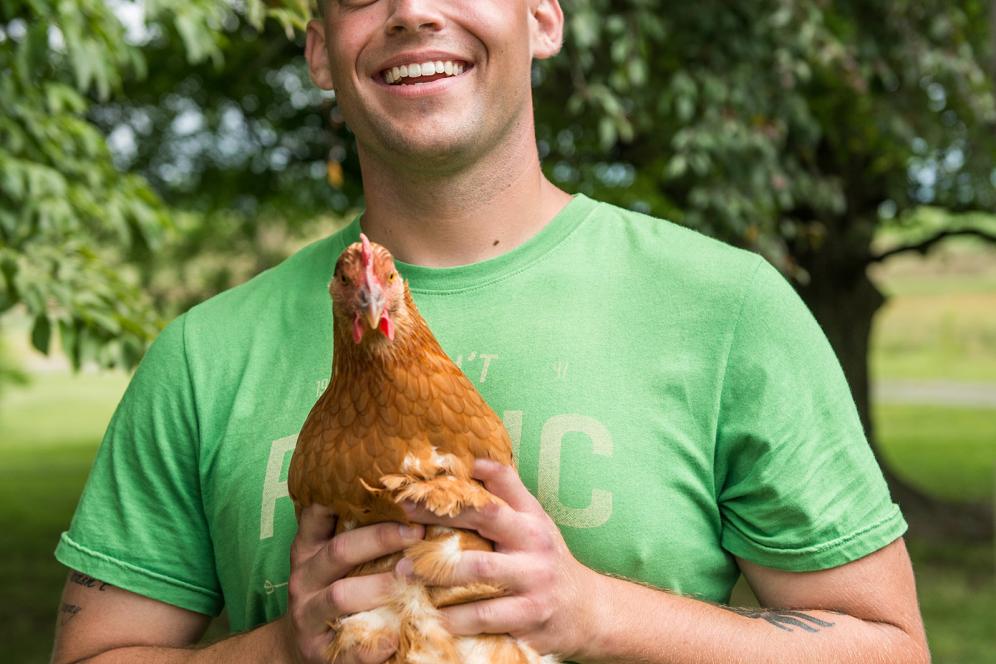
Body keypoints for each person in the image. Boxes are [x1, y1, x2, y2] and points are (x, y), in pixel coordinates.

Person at [51, 2, 929, 663]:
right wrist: (285, 646)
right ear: (320, 48)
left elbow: (889, 649)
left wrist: (594, 613)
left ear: (543, 15)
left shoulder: (725, 307)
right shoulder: (205, 356)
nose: (412, 12)